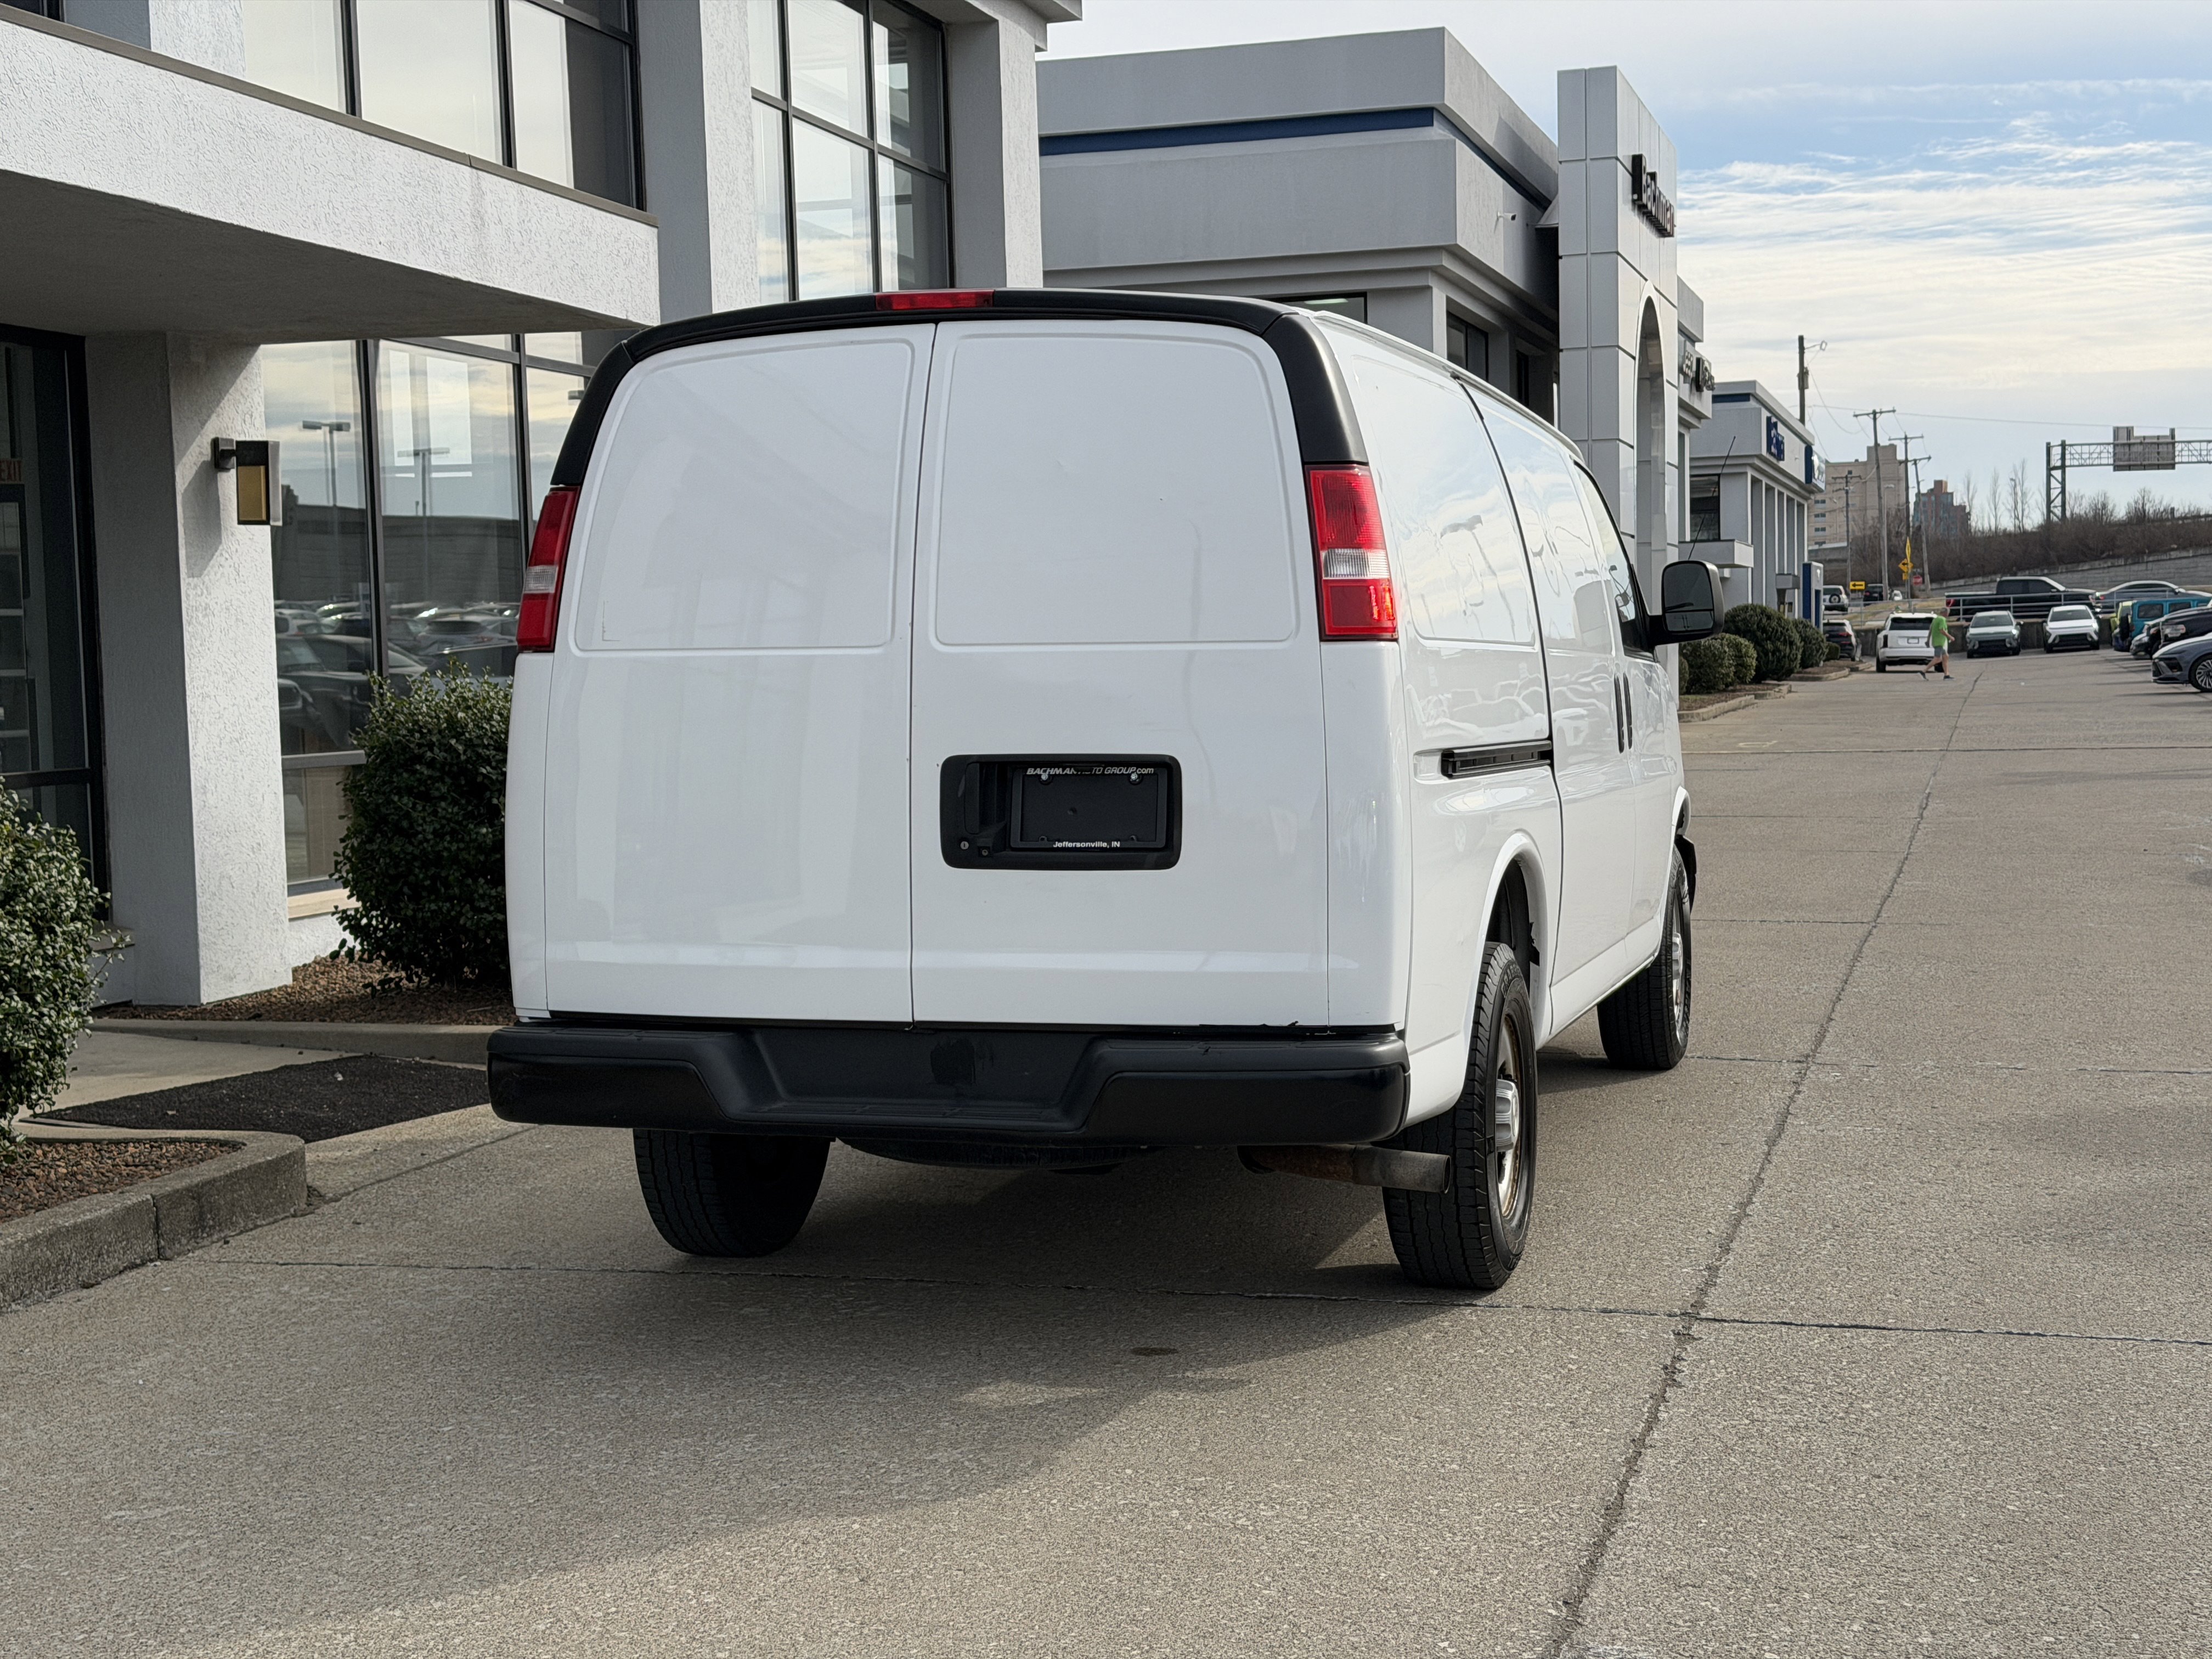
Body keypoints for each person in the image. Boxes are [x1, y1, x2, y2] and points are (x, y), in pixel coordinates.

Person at [1924, 611, 1953, 680]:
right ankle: (1923, 671)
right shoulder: (1942, 619)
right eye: (1948, 613)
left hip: (1937, 642)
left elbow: (1930, 630)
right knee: (1938, 658)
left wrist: (1928, 641)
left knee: (1946, 657)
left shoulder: (1935, 619)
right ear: (1945, 613)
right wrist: (1950, 637)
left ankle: (1947, 675)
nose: (1948, 615)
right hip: (1940, 642)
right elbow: (1942, 630)